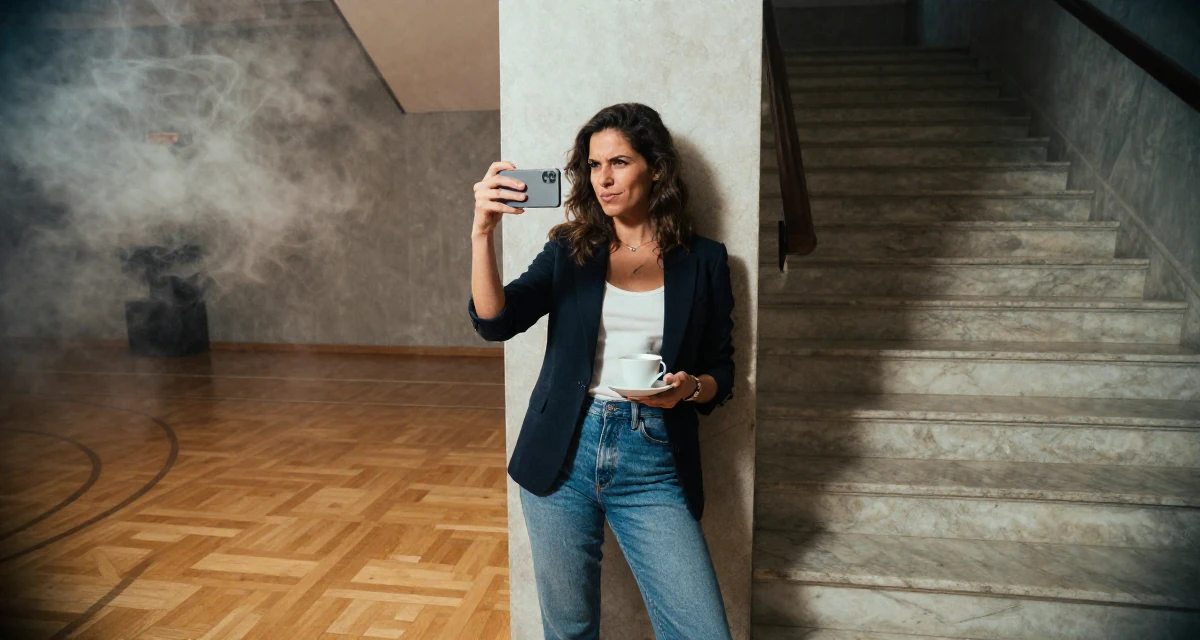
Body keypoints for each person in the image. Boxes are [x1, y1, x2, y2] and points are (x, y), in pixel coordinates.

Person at [468, 102, 735, 640]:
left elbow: (721, 372)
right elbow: (497, 322)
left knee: (702, 631)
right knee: (569, 631)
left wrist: (689, 389)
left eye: (619, 162)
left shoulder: (704, 260)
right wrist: (482, 234)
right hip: (563, 450)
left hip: (654, 457)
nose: (604, 179)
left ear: (656, 168)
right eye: (593, 166)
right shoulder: (572, 250)